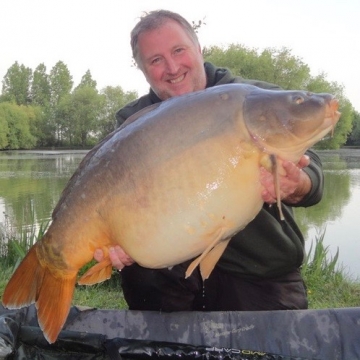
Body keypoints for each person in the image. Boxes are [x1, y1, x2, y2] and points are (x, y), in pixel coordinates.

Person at [94, 9, 323, 312]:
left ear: (199, 49)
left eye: (179, 50)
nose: (172, 67)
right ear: (143, 69)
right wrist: (116, 241)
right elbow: (105, 201)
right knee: (141, 276)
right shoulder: (133, 123)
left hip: (257, 270)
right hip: (170, 271)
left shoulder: (255, 98)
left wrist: (299, 184)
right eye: (156, 60)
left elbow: (314, 173)